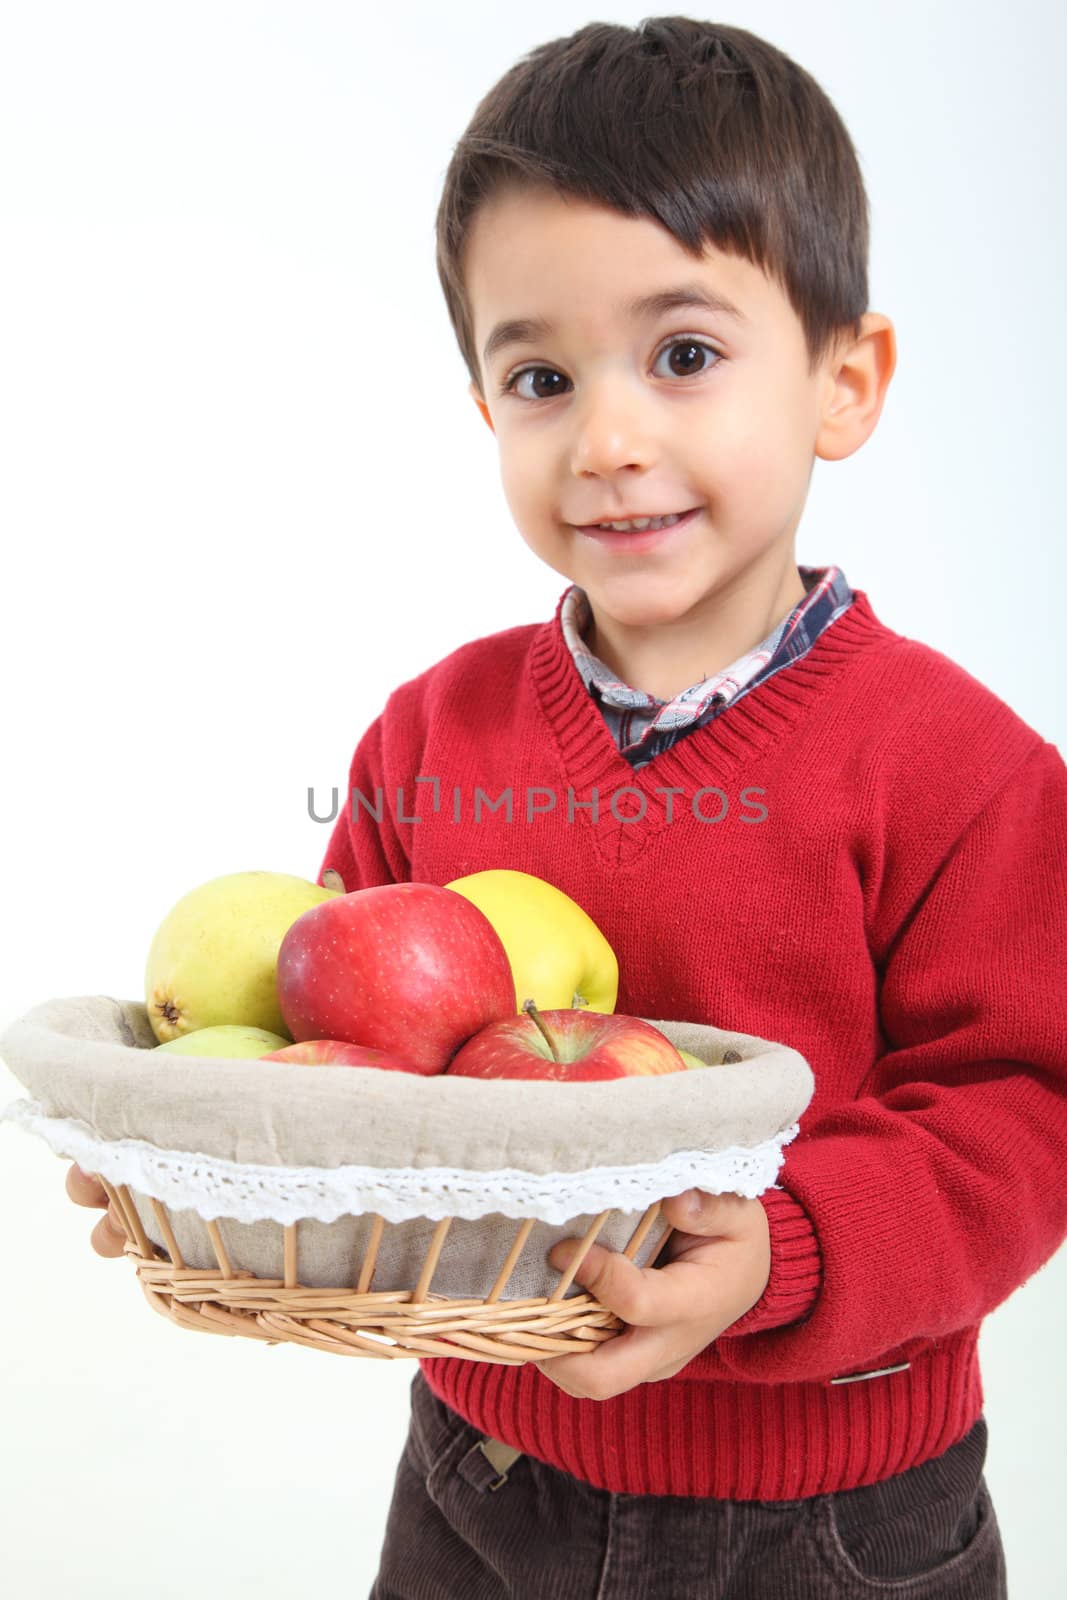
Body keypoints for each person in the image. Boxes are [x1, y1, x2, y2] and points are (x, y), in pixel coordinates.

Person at [69, 16, 1067, 1598]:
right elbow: (348, 1051)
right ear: (485, 411)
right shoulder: (428, 734)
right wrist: (230, 1173)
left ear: (844, 379)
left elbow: (1023, 1109)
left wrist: (785, 1252)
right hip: (480, 1472)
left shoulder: (966, 771)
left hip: (826, 1513)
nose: (607, 441)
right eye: (541, 375)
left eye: (684, 354)